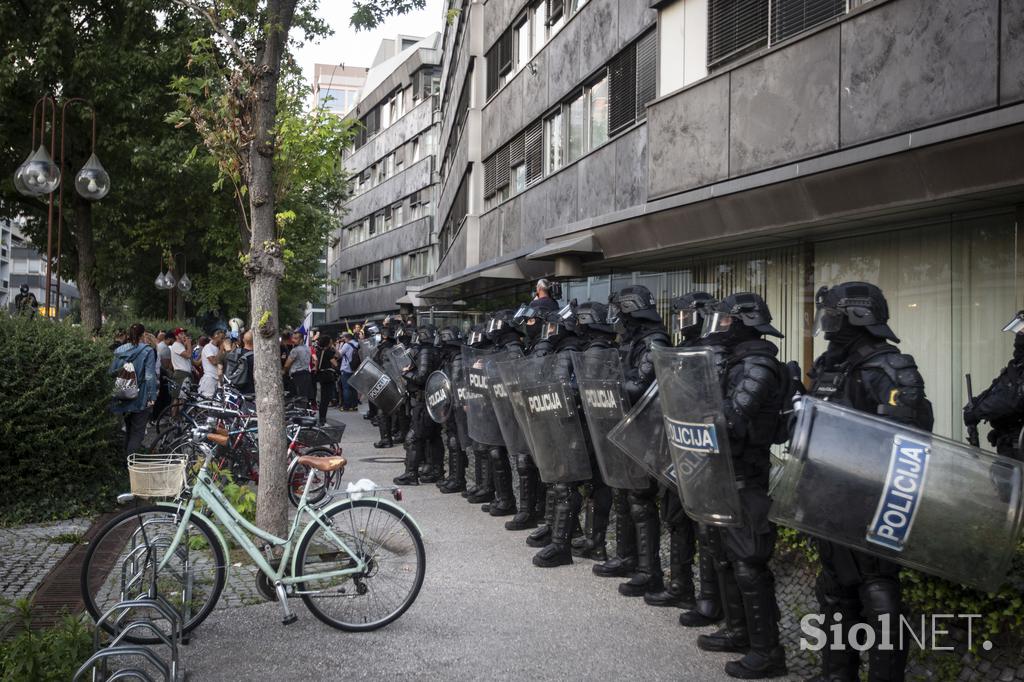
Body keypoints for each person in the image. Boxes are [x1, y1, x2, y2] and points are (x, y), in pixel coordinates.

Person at [807, 282, 932, 682]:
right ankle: (837, 674)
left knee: (878, 592)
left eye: (832, 315)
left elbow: (912, 437)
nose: (826, 322)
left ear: (855, 315)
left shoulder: (889, 368)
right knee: (834, 589)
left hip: (873, 500)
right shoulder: (831, 364)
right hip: (831, 497)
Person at [698, 292, 789, 679]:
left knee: (749, 561)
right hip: (723, 470)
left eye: (725, 321)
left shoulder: (758, 364)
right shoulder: (736, 359)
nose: (719, 329)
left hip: (746, 474)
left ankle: (767, 651)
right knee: (724, 554)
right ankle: (738, 631)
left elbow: (734, 419)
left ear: (742, 321)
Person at [647, 292, 717, 610]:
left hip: (704, 450)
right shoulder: (678, 352)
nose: (680, 320)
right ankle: (680, 585)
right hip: (677, 445)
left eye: (685, 314)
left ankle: (709, 597)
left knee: (706, 527)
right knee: (676, 517)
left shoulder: (712, 353)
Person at [598, 285, 668, 599]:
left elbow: (641, 386)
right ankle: (626, 558)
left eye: (620, 311)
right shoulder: (633, 341)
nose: (617, 319)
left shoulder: (654, 342)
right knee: (623, 495)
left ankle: (648, 571)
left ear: (631, 309)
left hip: (647, 431)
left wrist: (608, 384)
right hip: (629, 427)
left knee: (641, 502)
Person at [963, 310, 1024, 460]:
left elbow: (1011, 400)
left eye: (1022, 332)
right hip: (1012, 446)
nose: (1018, 336)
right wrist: (977, 403)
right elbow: (1000, 387)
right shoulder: (1017, 366)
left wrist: (977, 412)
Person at [394, 326, 443, 486]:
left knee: (414, 438)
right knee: (433, 437)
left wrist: (406, 373)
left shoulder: (426, 352)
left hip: (424, 399)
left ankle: (411, 474)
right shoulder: (435, 351)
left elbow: (422, 377)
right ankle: (435, 470)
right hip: (433, 400)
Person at [110, 323, 159, 455]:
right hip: (140, 396)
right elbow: (150, 376)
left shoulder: (119, 351)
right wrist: (152, 396)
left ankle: (125, 461)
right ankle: (130, 464)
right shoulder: (147, 351)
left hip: (122, 395)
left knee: (128, 429)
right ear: (143, 335)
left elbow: (111, 372)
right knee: (137, 432)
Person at [437, 326, 470, 493]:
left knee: (455, 441)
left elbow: (455, 383)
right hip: (451, 406)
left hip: (456, 407)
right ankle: (453, 476)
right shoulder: (450, 357)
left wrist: (450, 406)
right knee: (452, 441)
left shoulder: (457, 358)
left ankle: (458, 479)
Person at [314, 333, 340, 425]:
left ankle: (322, 417)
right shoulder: (329, 352)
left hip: (321, 376)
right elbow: (336, 361)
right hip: (328, 377)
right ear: (328, 343)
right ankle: (322, 418)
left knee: (323, 398)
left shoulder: (319, 352)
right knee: (326, 398)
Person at [283, 331, 313, 404]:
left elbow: (287, 364)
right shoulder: (308, 349)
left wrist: (283, 371)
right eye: (293, 338)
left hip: (297, 376)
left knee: (297, 398)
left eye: (296, 338)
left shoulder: (295, 350)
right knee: (304, 397)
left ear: (301, 340)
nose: (293, 340)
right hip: (306, 374)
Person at [199, 328, 224, 398]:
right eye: (221, 338)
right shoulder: (208, 347)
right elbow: (214, 361)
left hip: (216, 379)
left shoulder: (217, 348)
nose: (223, 341)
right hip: (210, 379)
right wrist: (221, 349)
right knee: (206, 402)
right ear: (216, 336)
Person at [168, 328, 193, 400]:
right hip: (181, 374)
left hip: (183, 374)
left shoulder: (180, 345)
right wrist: (189, 344)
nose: (184, 335)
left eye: (184, 333)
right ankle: (180, 412)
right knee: (182, 399)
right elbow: (188, 355)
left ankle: (178, 411)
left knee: (178, 399)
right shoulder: (176, 345)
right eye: (181, 334)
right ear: (176, 336)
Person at [338, 333, 360, 411]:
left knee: (346, 388)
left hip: (346, 368)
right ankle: (354, 406)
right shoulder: (357, 344)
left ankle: (346, 406)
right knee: (353, 388)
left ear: (346, 338)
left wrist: (340, 345)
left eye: (343, 338)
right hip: (355, 369)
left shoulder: (346, 345)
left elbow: (339, 355)